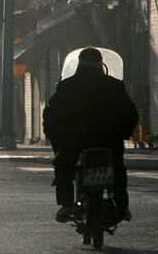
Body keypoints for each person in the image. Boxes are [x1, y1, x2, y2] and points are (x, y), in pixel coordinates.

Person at [42, 47, 138, 224]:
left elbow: (51, 114)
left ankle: (66, 204)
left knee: (63, 165)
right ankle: (122, 206)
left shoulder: (67, 85)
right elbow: (130, 112)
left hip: (75, 141)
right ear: (101, 64)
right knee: (118, 169)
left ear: (79, 65)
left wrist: (55, 135)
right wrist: (124, 133)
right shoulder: (114, 85)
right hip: (109, 140)